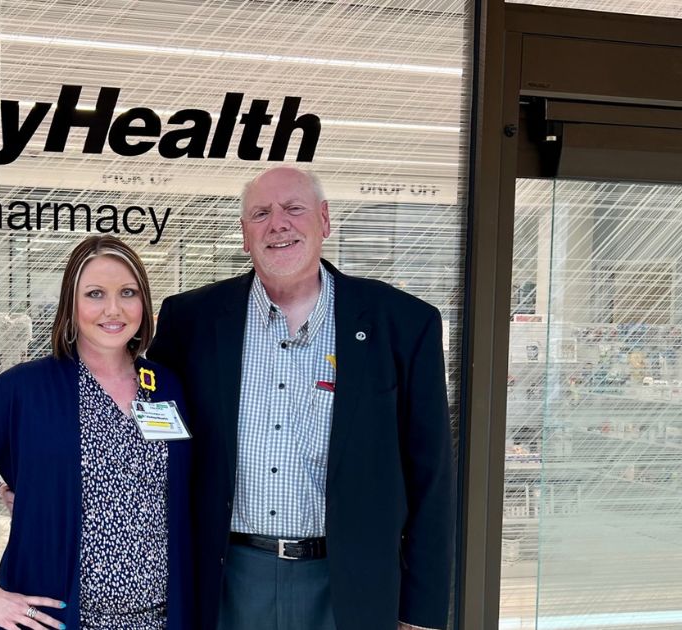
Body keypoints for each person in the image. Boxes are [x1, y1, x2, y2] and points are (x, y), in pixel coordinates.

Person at [148, 166, 455, 630]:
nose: (278, 224)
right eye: (261, 214)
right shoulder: (190, 321)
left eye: (294, 209)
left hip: (351, 586)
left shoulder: (403, 324)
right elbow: (153, 443)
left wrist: (421, 613)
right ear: (245, 234)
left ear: (324, 220)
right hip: (227, 581)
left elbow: (432, 476)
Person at [0, 235, 193, 630]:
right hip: (58, 620)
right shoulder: (23, 390)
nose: (113, 309)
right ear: (70, 306)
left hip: (159, 619)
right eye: (95, 294)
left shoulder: (166, 387)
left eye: (127, 292)